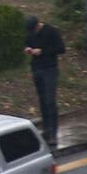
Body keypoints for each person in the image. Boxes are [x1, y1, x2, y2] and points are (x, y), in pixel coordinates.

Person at [25, 15, 66, 144]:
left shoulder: (51, 31)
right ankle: (46, 130)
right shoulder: (30, 33)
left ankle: (53, 132)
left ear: (38, 24)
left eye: (34, 29)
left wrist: (42, 51)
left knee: (50, 101)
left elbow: (61, 49)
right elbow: (26, 42)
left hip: (50, 69)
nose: (33, 32)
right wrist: (27, 49)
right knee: (42, 101)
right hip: (36, 68)